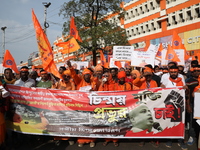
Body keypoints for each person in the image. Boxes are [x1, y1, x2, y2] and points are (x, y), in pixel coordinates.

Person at [160, 65, 188, 150]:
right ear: (169, 72)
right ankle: (169, 139)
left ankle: (180, 140)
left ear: (177, 72)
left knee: (179, 122)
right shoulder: (165, 77)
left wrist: (185, 88)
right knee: (169, 121)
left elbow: (183, 88)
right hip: (168, 103)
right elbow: (161, 86)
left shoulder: (181, 77)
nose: (173, 73)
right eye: (171, 72)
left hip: (179, 103)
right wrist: (162, 86)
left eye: (175, 72)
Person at [186, 66, 200, 146]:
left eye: (199, 70)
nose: (197, 72)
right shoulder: (189, 81)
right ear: (192, 72)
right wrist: (188, 105)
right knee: (192, 122)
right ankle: (192, 137)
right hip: (193, 104)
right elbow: (188, 95)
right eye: (195, 71)